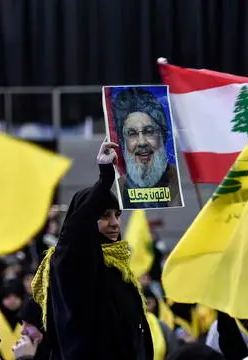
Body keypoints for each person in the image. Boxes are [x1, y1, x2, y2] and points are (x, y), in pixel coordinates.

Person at [31, 141, 153, 359]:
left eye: (117, 214)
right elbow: (75, 235)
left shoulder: (119, 269)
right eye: (104, 215)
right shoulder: (72, 264)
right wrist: (105, 179)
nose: (115, 223)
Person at [112, 88, 181, 209]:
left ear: (163, 136)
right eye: (132, 133)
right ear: (123, 141)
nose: (142, 142)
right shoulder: (116, 188)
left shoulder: (179, 185)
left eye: (149, 131)